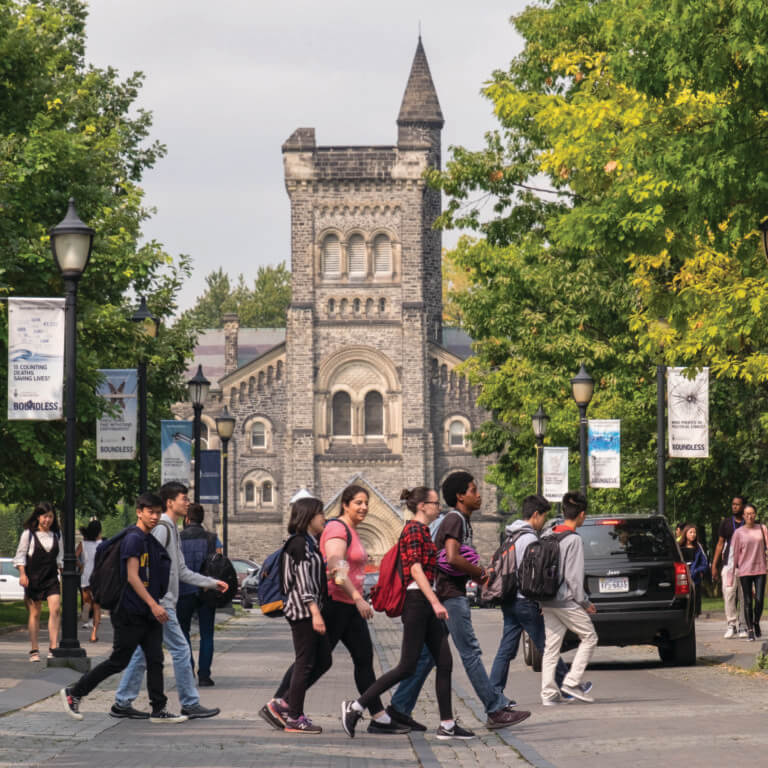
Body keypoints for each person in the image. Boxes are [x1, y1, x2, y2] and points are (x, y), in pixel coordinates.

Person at [388, 472, 530, 731]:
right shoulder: (455, 520)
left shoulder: (459, 520)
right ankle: (495, 709)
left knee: (427, 657)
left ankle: (398, 709)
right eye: (474, 490)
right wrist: (481, 573)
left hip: (444, 595)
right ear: (460, 496)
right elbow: (452, 557)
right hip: (450, 596)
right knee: (471, 653)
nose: (479, 495)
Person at [267, 484, 408, 735]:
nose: (364, 507)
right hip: (335, 604)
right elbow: (336, 571)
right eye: (358, 503)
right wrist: (358, 599)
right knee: (312, 660)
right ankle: (282, 703)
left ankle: (379, 716)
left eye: (366, 502)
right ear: (345, 504)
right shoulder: (336, 529)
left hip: (347, 606)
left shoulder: (350, 530)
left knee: (361, 659)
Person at [342, 488, 474, 740]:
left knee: (444, 661)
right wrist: (435, 602)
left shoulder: (423, 531)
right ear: (423, 506)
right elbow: (415, 570)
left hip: (425, 601)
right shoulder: (413, 530)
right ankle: (356, 706)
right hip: (417, 602)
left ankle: (447, 725)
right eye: (436, 504)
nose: (439, 508)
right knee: (407, 665)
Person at [60, 493, 184, 722]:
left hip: (147, 612)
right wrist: (154, 604)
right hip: (129, 610)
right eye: (150, 512)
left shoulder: (148, 539)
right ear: (139, 512)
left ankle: (159, 709)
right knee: (119, 660)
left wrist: (153, 606)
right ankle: (74, 692)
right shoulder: (134, 539)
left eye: (158, 512)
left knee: (156, 659)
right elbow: (132, 576)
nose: (155, 516)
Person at [111, 483, 228, 720]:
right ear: (169, 503)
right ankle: (189, 702)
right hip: (160, 603)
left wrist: (211, 582)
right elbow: (146, 567)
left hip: (163, 602)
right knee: (181, 649)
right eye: (183, 499)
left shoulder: (172, 529)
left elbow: (181, 571)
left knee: (142, 654)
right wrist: (154, 602)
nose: (188, 503)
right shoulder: (162, 528)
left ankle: (122, 702)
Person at [490, 495, 588, 704]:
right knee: (547, 644)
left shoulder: (510, 536)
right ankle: (568, 686)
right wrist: (540, 600)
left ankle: (494, 693)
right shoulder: (530, 540)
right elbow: (534, 575)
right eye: (543, 516)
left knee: (506, 649)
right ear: (535, 515)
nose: (544, 521)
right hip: (525, 600)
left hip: (509, 600)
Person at [260, 497, 331, 734]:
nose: (324, 518)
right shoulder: (299, 543)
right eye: (320, 514)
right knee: (305, 662)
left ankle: (284, 703)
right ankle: (294, 716)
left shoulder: (311, 543)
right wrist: (315, 613)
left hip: (309, 610)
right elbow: (302, 583)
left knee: (323, 660)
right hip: (302, 612)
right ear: (309, 516)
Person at [540, 491, 598, 705]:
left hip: (546, 599)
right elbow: (574, 578)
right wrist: (585, 603)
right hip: (565, 600)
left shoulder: (548, 533)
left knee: (551, 647)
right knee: (590, 636)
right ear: (581, 515)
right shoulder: (573, 539)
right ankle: (572, 683)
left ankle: (548, 694)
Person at [13, 502, 62, 662]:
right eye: (44, 516)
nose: (47, 520)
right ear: (38, 516)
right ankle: (34, 649)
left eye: (50, 516)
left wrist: (62, 573)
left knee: (55, 609)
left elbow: (59, 558)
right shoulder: (29, 534)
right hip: (34, 579)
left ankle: (53, 647)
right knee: (35, 612)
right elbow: (20, 556)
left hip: (51, 578)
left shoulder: (57, 535)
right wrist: (22, 574)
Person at [177, 503, 220, 686]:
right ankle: (204, 675)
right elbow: (219, 561)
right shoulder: (212, 538)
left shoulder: (178, 538)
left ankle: (188, 670)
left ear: (187, 519)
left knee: (183, 632)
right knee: (207, 634)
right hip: (206, 590)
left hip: (184, 590)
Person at [730, 504, 768, 641]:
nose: (749, 516)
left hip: (761, 569)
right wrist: (731, 573)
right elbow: (733, 554)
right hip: (745, 570)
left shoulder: (762, 529)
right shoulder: (738, 533)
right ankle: (750, 629)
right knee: (747, 600)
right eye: (747, 514)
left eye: (752, 513)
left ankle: (756, 622)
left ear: (755, 515)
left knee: (759, 600)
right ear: (743, 516)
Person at [711, 496, 748, 638]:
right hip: (729, 565)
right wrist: (714, 565)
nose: (734, 507)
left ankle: (743, 625)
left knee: (745, 596)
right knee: (729, 594)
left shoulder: (749, 523)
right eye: (733, 504)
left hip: (746, 565)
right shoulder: (726, 523)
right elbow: (720, 544)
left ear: (743, 506)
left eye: (737, 505)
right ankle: (731, 624)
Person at [76, 519, 102, 643]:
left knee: (87, 601)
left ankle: (86, 619)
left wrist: (81, 565)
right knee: (97, 605)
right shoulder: (102, 544)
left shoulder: (83, 544)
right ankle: (94, 633)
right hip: (98, 575)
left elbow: (74, 556)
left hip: (86, 574)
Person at [679, 524, 708, 618]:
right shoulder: (679, 546)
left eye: (694, 532)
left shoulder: (698, 547)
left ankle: (696, 613)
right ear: (685, 533)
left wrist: (697, 570)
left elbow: (704, 563)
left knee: (696, 595)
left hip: (696, 577)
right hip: (683, 576)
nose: (693, 534)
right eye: (690, 532)